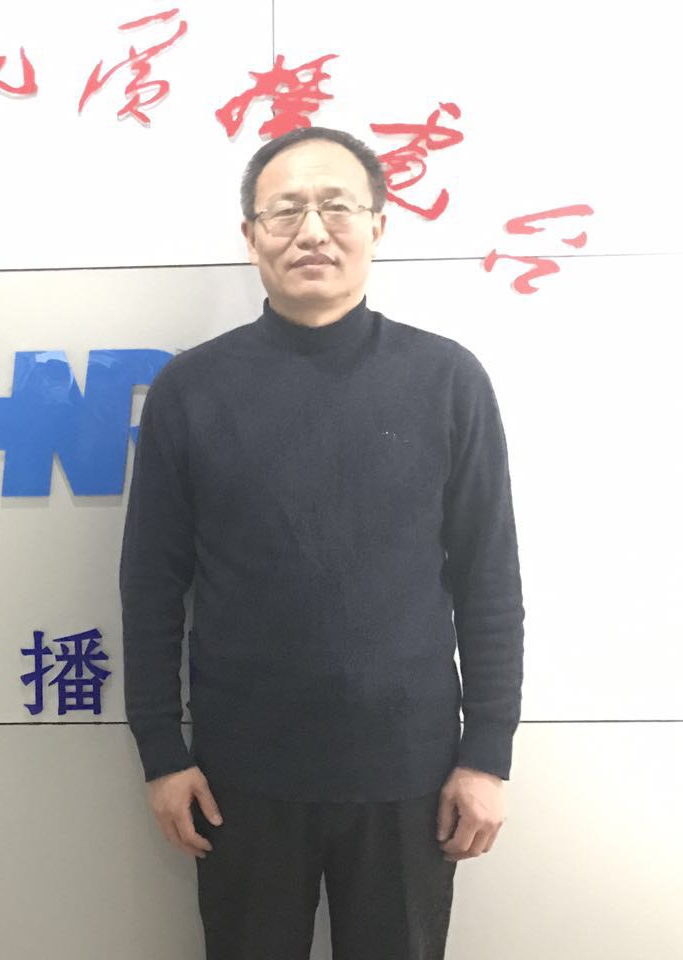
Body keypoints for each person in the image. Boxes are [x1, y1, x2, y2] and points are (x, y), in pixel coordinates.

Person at [118, 126, 525, 960]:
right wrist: (161, 752)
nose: (312, 230)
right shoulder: (191, 389)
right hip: (239, 778)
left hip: (411, 777)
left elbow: (489, 581)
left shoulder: (447, 380)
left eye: (336, 206)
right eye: (286, 210)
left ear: (378, 225)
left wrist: (487, 754)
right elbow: (150, 586)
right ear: (250, 235)